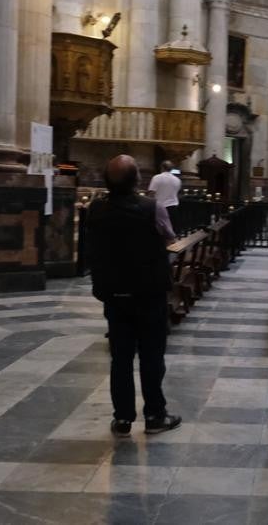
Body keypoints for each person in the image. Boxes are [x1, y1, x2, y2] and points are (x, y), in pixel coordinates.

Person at [87, 155, 181, 436]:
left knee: (121, 358)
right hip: (149, 293)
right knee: (152, 356)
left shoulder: (96, 209)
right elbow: (170, 239)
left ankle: (123, 419)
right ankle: (154, 415)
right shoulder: (152, 208)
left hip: (115, 293)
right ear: (138, 180)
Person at [147, 160, 182, 231]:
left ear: (162, 168)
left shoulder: (157, 178)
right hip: (173, 207)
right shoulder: (177, 180)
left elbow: (151, 193)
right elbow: (176, 193)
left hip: (159, 208)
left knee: (159, 230)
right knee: (171, 230)